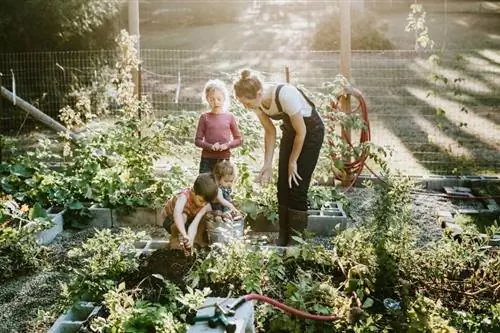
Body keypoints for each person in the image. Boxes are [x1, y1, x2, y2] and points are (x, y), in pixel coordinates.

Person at [233, 69, 325, 246]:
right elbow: (270, 131)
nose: (247, 107)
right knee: (282, 185)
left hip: (311, 132)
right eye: (244, 103)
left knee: (297, 186)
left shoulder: (285, 94)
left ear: (259, 94)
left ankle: (297, 242)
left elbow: (302, 132)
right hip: (292, 133)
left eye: (248, 102)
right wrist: (267, 164)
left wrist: (293, 161)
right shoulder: (258, 104)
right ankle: (283, 237)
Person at [195, 79, 243, 174]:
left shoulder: (230, 117)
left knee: (224, 187)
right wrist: (211, 146)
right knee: (205, 186)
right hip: (207, 159)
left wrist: (227, 145)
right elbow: (197, 141)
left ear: (224, 98)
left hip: (224, 160)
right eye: (211, 99)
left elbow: (238, 139)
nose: (215, 102)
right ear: (207, 99)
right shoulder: (204, 117)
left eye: (218, 99)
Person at [162, 173, 219, 251]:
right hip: (170, 220)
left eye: (206, 202)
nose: (203, 204)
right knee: (183, 216)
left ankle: (197, 238)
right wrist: (184, 234)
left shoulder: (204, 204)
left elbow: (194, 224)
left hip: (189, 219)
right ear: (193, 191)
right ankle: (174, 237)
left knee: (205, 213)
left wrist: (190, 239)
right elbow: (177, 214)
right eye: (201, 201)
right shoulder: (184, 196)